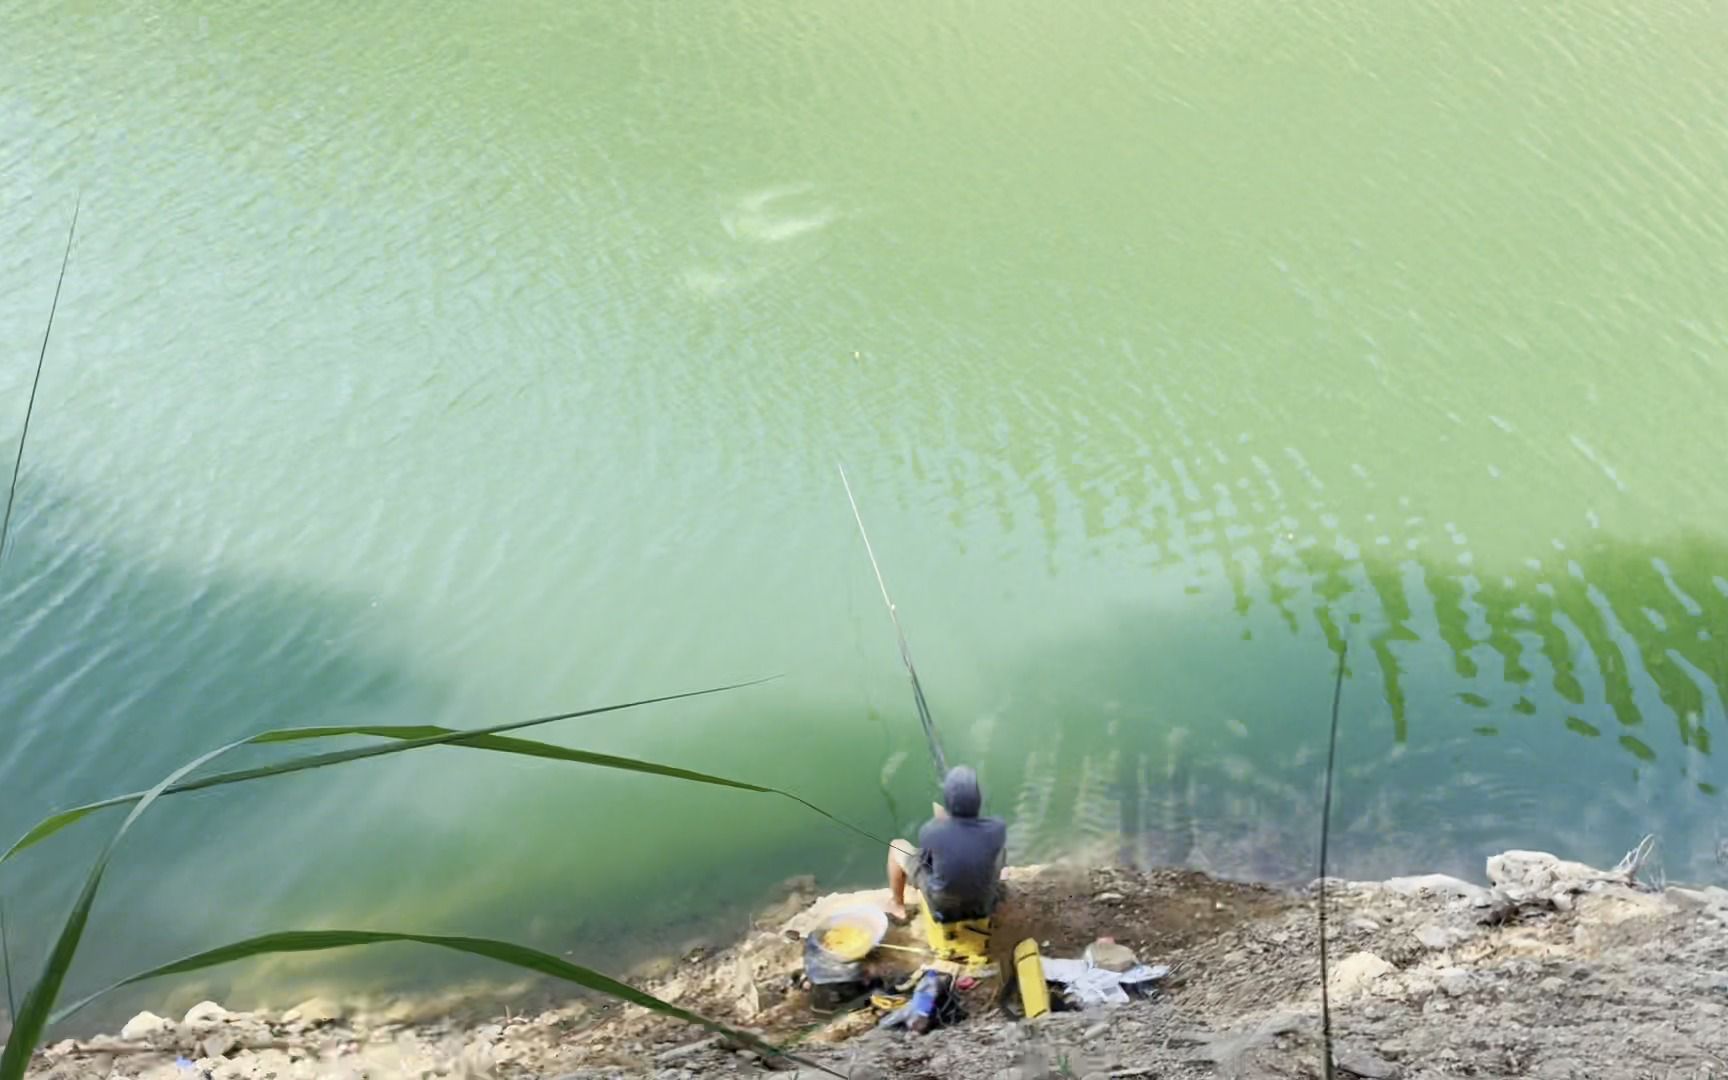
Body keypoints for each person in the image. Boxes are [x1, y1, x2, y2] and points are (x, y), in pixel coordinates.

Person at [886, 764, 1007, 923]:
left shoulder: (930, 831)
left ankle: (898, 906)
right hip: (983, 907)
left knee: (897, 846)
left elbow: (926, 861)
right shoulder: (997, 828)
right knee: (1001, 850)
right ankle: (992, 886)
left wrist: (942, 821)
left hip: (943, 910)